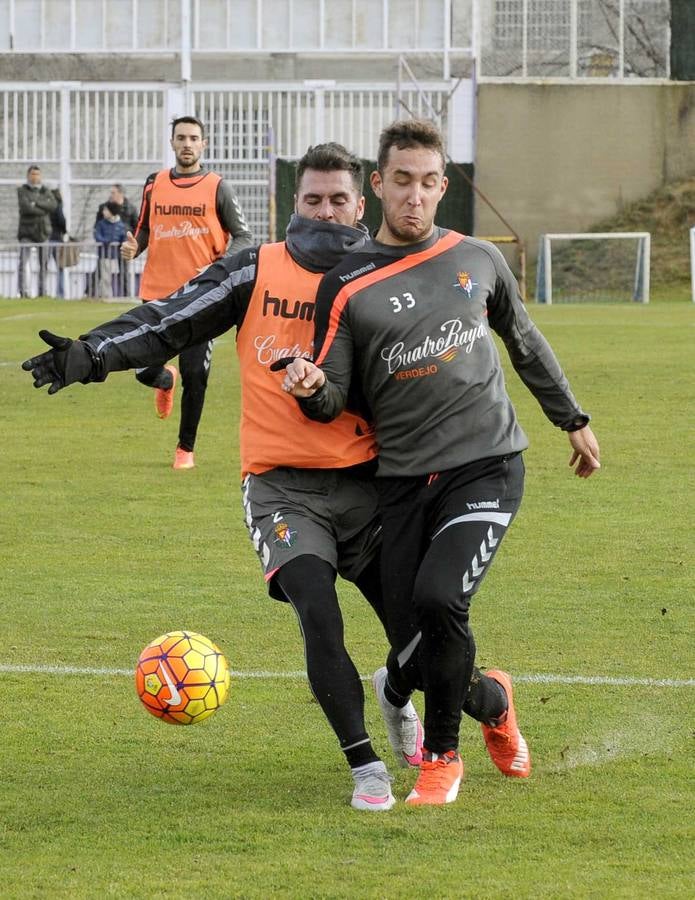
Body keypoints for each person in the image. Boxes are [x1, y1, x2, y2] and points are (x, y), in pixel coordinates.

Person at [22, 142, 424, 812]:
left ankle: (406, 695)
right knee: (318, 619)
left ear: (362, 203)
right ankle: (365, 767)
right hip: (279, 488)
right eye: (311, 199)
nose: (324, 210)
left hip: (370, 486)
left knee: (424, 641)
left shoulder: (386, 274)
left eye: (337, 200)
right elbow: (166, 320)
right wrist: (91, 355)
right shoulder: (253, 265)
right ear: (292, 203)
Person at [280, 119, 601, 807]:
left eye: (428, 183)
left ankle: (441, 758)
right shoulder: (344, 283)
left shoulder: (478, 257)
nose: (414, 196)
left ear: (442, 187)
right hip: (400, 482)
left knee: (438, 598)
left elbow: (522, 340)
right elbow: (332, 395)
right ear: (378, 183)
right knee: (417, 651)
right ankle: (491, 700)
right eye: (401, 181)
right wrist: (310, 389)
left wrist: (570, 418)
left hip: (487, 464)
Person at [120, 115, 254, 470]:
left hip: (200, 297)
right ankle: (163, 379)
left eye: (194, 138)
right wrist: (134, 248)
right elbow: (144, 230)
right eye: (181, 138)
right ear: (172, 143)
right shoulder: (155, 183)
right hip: (156, 294)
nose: (187, 144)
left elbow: (243, 235)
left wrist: (219, 267)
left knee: (196, 375)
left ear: (203, 144)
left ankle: (185, 450)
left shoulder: (217, 186)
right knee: (142, 369)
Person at [17, 165, 57, 298]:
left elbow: (53, 205)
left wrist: (35, 203)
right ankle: (23, 292)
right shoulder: (22, 190)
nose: (35, 177)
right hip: (27, 232)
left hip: (43, 232)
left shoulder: (46, 190)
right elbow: (26, 207)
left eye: (37, 174)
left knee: (44, 264)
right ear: (28, 175)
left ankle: (42, 292)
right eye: (33, 174)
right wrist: (42, 207)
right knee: (23, 263)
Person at [94, 201, 128, 298]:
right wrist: (107, 241)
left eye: (106, 210)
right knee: (105, 278)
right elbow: (97, 236)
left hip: (116, 256)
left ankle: (119, 296)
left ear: (111, 211)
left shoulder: (120, 225)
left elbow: (123, 237)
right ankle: (106, 296)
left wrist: (123, 243)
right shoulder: (101, 224)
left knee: (116, 277)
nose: (103, 212)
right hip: (104, 255)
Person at [48, 187, 67, 299]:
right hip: (56, 238)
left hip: (47, 238)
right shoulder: (58, 205)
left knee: (44, 266)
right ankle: (60, 293)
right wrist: (64, 231)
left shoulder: (47, 206)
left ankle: (44, 292)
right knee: (60, 267)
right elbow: (62, 220)